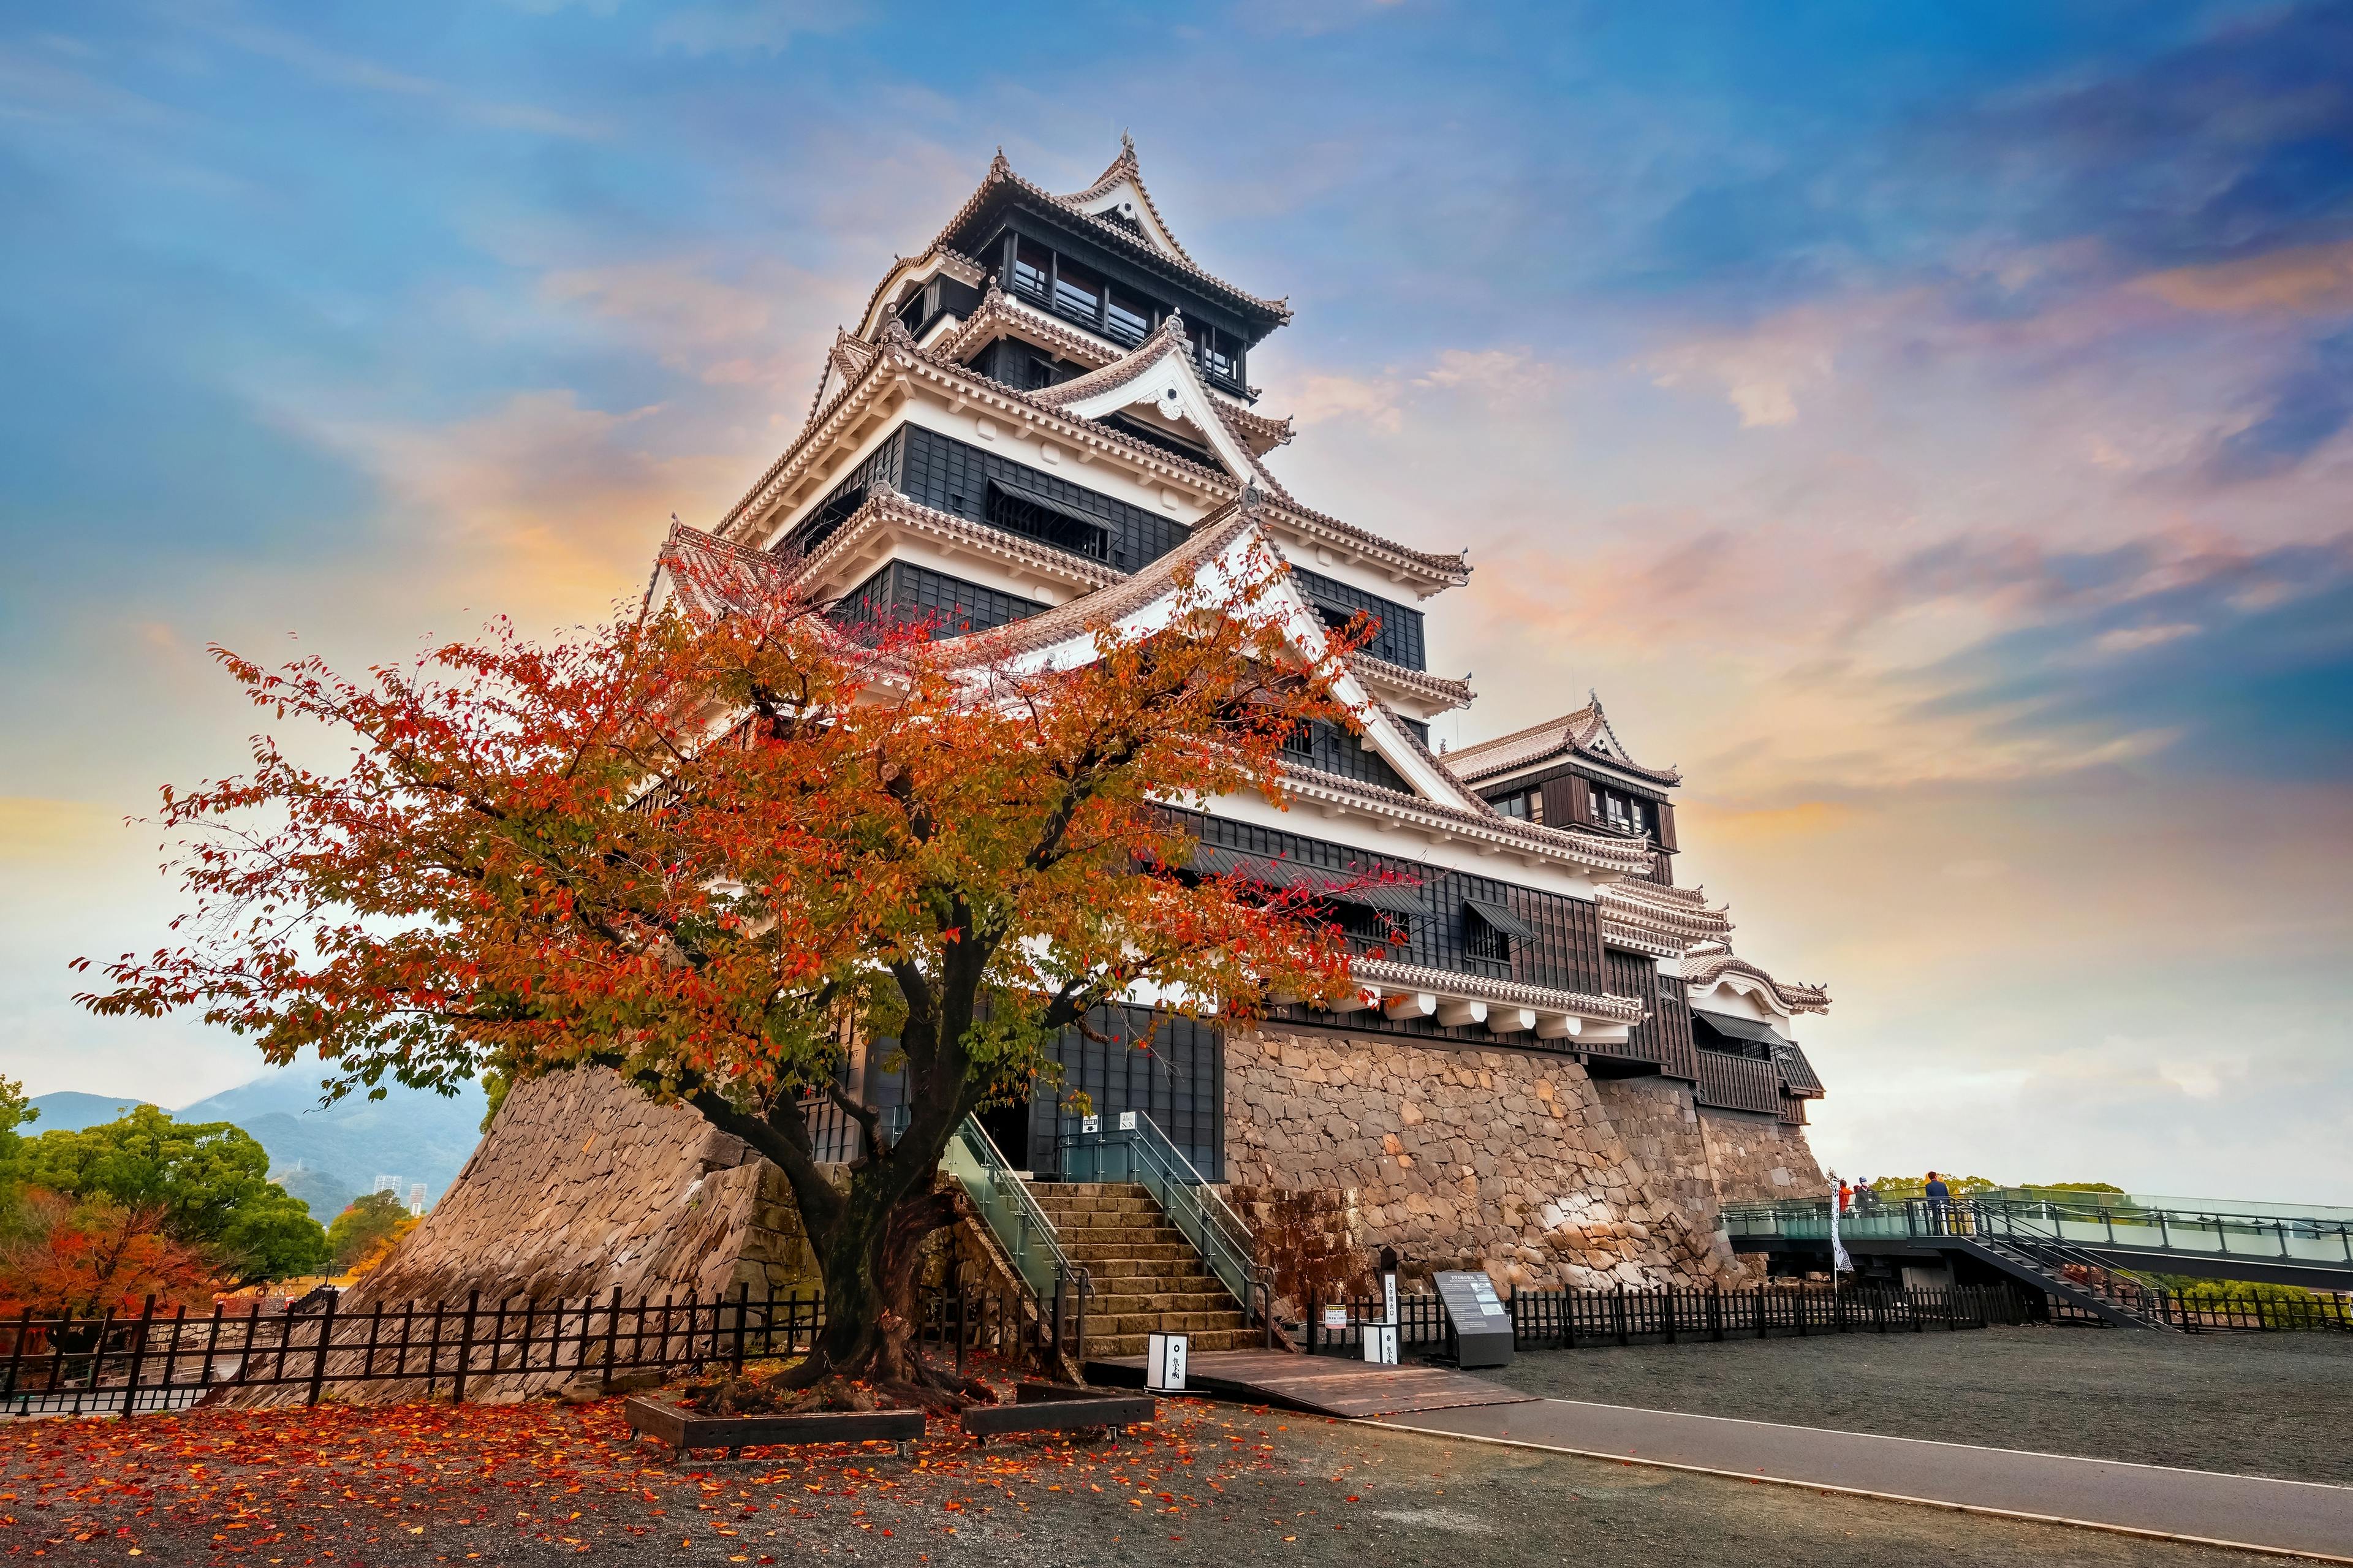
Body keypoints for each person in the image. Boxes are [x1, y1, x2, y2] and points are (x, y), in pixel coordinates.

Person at [1925, 1170, 1952, 1234]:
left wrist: (1930, 1206)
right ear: (1936, 1176)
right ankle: (1948, 1231)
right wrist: (1949, 1204)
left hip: (1935, 1205)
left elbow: (1929, 1198)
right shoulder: (1943, 1184)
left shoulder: (1928, 1186)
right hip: (1945, 1205)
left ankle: (1939, 1232)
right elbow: (1947, 1195)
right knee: (1946, 1218)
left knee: (1937, 1219)